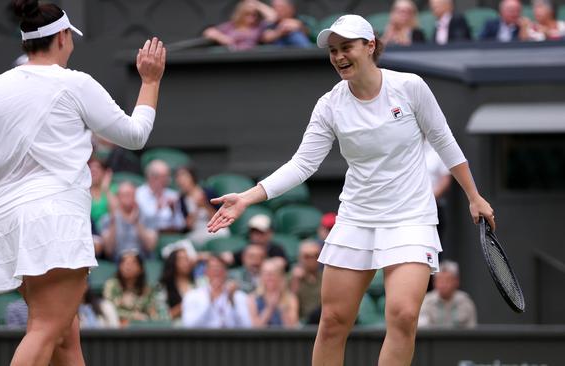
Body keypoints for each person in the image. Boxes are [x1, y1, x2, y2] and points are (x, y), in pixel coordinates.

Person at [207, 14, 495, 366]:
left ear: (370, 46)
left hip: (410, 218)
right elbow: (302, 165)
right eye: (333, 50)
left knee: (403, 316)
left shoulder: (410, 87)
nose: (339, 57)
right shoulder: (329, 105)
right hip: (356, 219)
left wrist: (474, 196)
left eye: (347, 48)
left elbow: (444, 141)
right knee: (331, 323)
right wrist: (247, 198)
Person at [0, 0, 166, 364]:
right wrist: (150, 81)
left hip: (11, 226)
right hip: (55, 223)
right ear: (62, 38)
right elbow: (135, 135)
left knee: (65, 341)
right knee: (45, 331)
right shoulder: (75, 84)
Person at [182, 255, 252, 328]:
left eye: (219, 269)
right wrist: (210, 301)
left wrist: (232, 301)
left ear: (226, 272)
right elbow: (189, 325)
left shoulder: (239, 296)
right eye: (213, 269)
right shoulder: (192, 295)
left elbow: (247, 325)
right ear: (206, 272)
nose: (216, 273)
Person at [103, 250, 170, 326]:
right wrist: (132, 315)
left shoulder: (147, 288)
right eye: (124, 262)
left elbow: (152, 310)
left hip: (142, 327)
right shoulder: (111, 285)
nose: (127, 266)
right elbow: (108, 310)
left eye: (133, 263)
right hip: (117, 326)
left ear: (140, 268)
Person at [99, 181, 158, 260]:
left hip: (141, 260)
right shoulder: (107, 219)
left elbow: (150, 247)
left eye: (130, 194)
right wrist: (113, 221)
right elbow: (108, 250)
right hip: (117, 260)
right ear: (118, 197)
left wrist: (137, 222)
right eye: (124, 195)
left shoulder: (147, 217)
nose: (127, 198)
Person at [175, 166, 230, 248]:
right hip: (196, 231)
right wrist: (196, 209)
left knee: (224, 232)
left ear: (192, 177)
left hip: (212, 226)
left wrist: (204, 205)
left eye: (184, 176)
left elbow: (219, 218)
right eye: (178, 177)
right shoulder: (182, 199)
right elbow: (189, 226)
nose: (181, 180)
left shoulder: (207, 192)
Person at [418, 260, 477, 328]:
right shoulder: (426, 302)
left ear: (456, 281)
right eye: (440, 280)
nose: (444, 284)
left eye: (448, 280)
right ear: (434, 282)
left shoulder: (465, 302)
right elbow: (422, 330)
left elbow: (472, 331)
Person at [202, 0, 277, 51]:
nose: (251, 18)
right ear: (241, 14)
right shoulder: (231, 26)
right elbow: (209, 32)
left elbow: (273, 16)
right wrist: (224, 39)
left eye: (254, 15)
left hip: (250, 58)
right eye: (247, 14)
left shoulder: (258, 27)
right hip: (230, 58)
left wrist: (256, 3)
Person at [136, 159, 186, 233]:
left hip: (170, 234)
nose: (168, 180)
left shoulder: (173, 195)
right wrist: (156, 209)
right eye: (164, 177)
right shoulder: (139, 194)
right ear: (152, 178)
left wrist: (173, 211)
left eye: (168, 176)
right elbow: (141, 222)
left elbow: (181, 224)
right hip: (147, 237)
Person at [247, 258, 299, 328]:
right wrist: (270, 307)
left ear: (280, 276)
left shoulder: (291, 298)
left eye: (273, 273)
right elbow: (256, 327)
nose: (269, 277)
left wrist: (282, 304)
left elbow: (292, 327)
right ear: (261, 276)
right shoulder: (252, 298)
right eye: (266, 273)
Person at [222, 214, 288, 268]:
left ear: (270, 233)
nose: (257, 236)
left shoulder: (276, 249)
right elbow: (228, 258)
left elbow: (282, 264)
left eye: (260, 232)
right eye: (253, 232)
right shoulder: (247, 249)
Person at [158, 247, 195, 321]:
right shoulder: (163, 287)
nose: (186, 263)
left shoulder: (198, 283)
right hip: (175, 329)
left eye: (187, 259)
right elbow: (161, 317)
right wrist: (184, 305)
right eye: (181, 259)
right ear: (173, 262)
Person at [290, 240, 323, 320]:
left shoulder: (326, 278)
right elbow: (287, 306)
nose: (312, 260)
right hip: (301, 325)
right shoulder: (291, 278)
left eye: (316, 255)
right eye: (307, 256)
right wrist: (295, 281)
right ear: (300, 257)